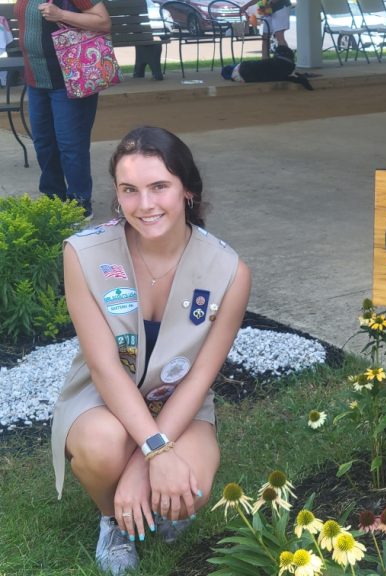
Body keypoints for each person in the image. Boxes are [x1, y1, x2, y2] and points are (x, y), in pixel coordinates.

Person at [51, 126, 252, 575]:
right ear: (117, 195)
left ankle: (140, 494)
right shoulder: (83, 254)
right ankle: (114, 518)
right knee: (102, 446)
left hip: (177, 401)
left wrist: (149, 461)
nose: (145, 205)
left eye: (159, 186)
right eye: (129, 190)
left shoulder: (230, 272)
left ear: (187, 192)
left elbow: (200, 378)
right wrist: (158, 453)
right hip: (103, 397)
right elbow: (104, 368)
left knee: (190, 493)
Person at [14, 0, 112, 218]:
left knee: (71, 146)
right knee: (44, 143)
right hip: (36, 80)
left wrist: (60, 14)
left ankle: (79, 206)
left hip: (69, 79)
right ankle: (53, 199)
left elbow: (103, 21)